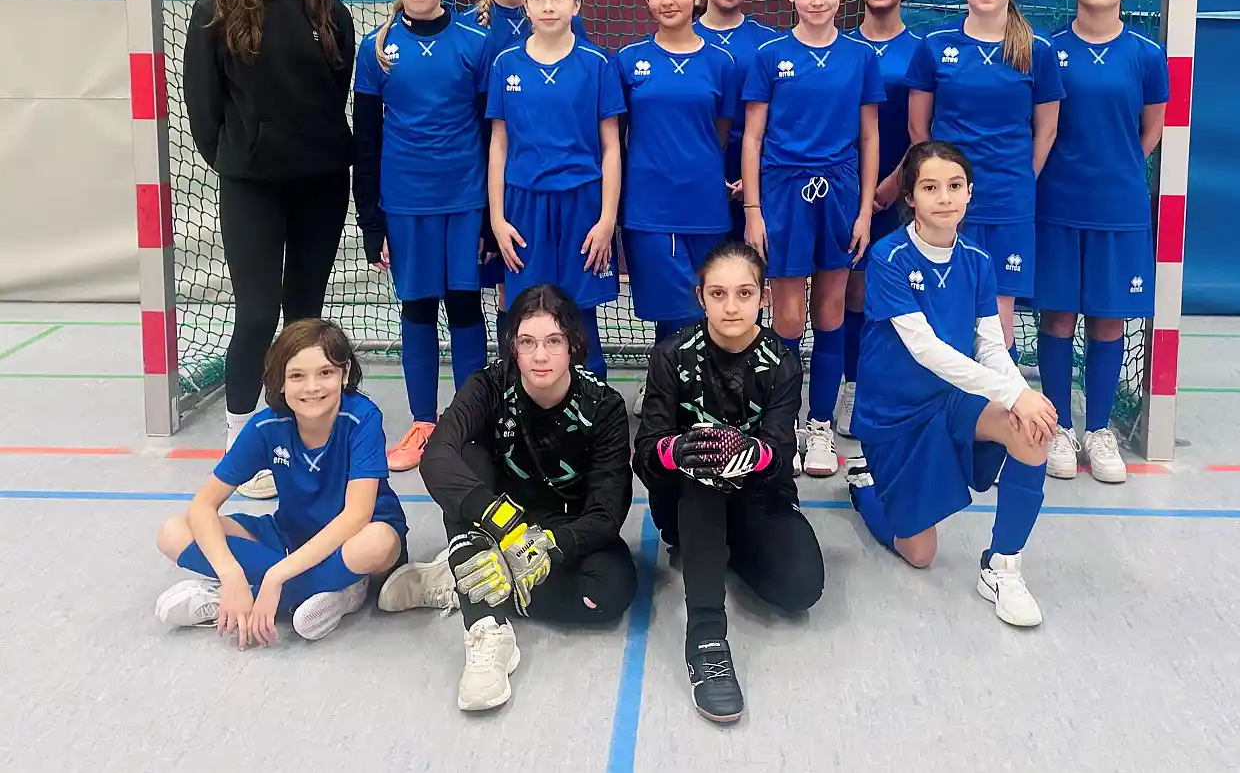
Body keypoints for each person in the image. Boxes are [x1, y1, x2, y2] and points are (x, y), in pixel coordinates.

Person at [377, 284, 636, 712]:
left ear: (572, 344)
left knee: (608, 595)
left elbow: (607, 514)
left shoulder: (603, 406)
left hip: (558, 535)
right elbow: (436, 456)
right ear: (512, 345)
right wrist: (504, 524)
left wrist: (549, 546)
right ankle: (486, 628)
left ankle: (463, 579)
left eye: (553, 342)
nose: (540, 356)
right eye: (527, 342)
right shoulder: (489, 385)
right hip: (495, 526)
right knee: (464, 457)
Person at [183, 0, 356, 501]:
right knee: (257, 312)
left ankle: (306, 430)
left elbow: (336, 89)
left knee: (303, 312)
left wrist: (311, 151)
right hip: (251, 185)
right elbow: (204, 110)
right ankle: (241, 441)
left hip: (321, 182)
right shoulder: (215, 11)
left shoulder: (329, 12)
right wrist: (244, 157)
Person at [845, 142, 1056, 628]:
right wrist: (1011, 393)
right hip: (894, 413)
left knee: (1032, 429)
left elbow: (989, 344)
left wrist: (1020, 394)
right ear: (911, 199)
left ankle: (1002, 566)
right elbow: (926, 350)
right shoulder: (888, 257)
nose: (944, 197)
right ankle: (864, 487)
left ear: (969, 194)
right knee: (920, 553)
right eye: (930, 187)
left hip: (952, 398)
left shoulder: (978, 261)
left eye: (955, 186)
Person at [634, 240, 824, 722]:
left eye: (744, 293)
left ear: (763, 297)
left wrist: (747, 453)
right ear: (701, 298)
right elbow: (643, 458)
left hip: (760, 496)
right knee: (704, 468)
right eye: (718, 294)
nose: (731, 306)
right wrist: (678, 451)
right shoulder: (671, 356)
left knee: (802, 589)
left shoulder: (782, 362)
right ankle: (706, 638)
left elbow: (781, 457)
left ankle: (720, 550)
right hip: (686, 501)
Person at [154, 319, 407, 644]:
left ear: (344, 374)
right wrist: (230, 574)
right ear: (280, 382)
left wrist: (275, 577)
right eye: (297, 376)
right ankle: (334, 589)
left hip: (355, 538)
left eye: (325, 373)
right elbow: (204, 504)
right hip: (291, 536)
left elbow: (356, 516)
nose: (312, 387)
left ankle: (237, 600)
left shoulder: (362, 418)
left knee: (377, 542)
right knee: (174, 531)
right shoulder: (266, 427)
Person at [742, 0, 885, 477]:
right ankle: (778, 427)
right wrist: (754, 210)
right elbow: (752, 137)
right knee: (785, 317)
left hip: (842, 191)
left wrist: (866, 209)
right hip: (782, 193)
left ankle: (819, 426)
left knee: (830, 312)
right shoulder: (768, 56)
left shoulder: (859, 56)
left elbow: (869, 135)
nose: (817, 0)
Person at [353, 0, 491, 473]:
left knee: (463, 304)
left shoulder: (474, 43)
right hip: (404, 203)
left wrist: (489, 217)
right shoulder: (377, 49)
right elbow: (365, 139)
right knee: (416, 308)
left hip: (465, 200)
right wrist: (371, 220)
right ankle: (423, 424)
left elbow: (488, 131)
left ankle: (471, 421)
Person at [1035, 0, 1169, 484]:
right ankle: (1061, 427)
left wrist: (1115, 171)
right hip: (1057, 202)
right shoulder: (1047, 50)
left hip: (1118, 207)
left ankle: (1100, 431)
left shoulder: (1145, 54)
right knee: (1060, 315)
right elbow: (1039, 125)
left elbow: (1151, 128)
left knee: (1109, 319)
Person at [905, 0, 1064, 361]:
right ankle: (944, 419)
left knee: (998, 318)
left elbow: (1045, 131)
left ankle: (997, 425)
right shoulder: (935, 46)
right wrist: (939, 185)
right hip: (945, 202)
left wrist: (1017, 180)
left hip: (1008, 201)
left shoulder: (1037, 50)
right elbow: (918, 128)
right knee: (941, 312)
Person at [486, 0, 624, 380]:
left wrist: (606, 220)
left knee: (580, 314)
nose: (549, 6)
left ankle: (595, 414)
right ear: (524, 4)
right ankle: (523, 412)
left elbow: (611, 147)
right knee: (527, 310)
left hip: (582, 204)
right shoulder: (506, 64)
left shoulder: (598, 64)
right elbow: (498, 145)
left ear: (577, 4)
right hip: (523, 207)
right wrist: (497, 218)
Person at [460, 0, 589, 357]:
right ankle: (510, 379)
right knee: (506, 283)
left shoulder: (563, 26)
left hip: (548, 177)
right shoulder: (470, 26)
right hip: (487, 174)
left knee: (557, 290)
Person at [619, 0, 741, 417]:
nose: (668, 0)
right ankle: (672, 399)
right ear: (646, 0)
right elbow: (619, 136)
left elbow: (721, 133)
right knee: (674, 313)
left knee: (700, 306)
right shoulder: (629, 61)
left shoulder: (722, 63)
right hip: (649, 209)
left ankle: (673, 391)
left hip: (706, 208)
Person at [836, 0, 924, 436]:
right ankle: (851, 385)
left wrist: (895, 183)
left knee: (894, 294)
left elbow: (924, 128)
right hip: (849, 191)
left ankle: (892, 389)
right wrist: (862, 191)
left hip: (904, 192)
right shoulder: (841, 47)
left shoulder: (921, 49)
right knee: (853, 291)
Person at [693, 0, 777, 243]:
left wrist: (757, 175)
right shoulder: (681, 39)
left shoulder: (769, 42)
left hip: (759, 172)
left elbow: (781, 114)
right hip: (698, 175)